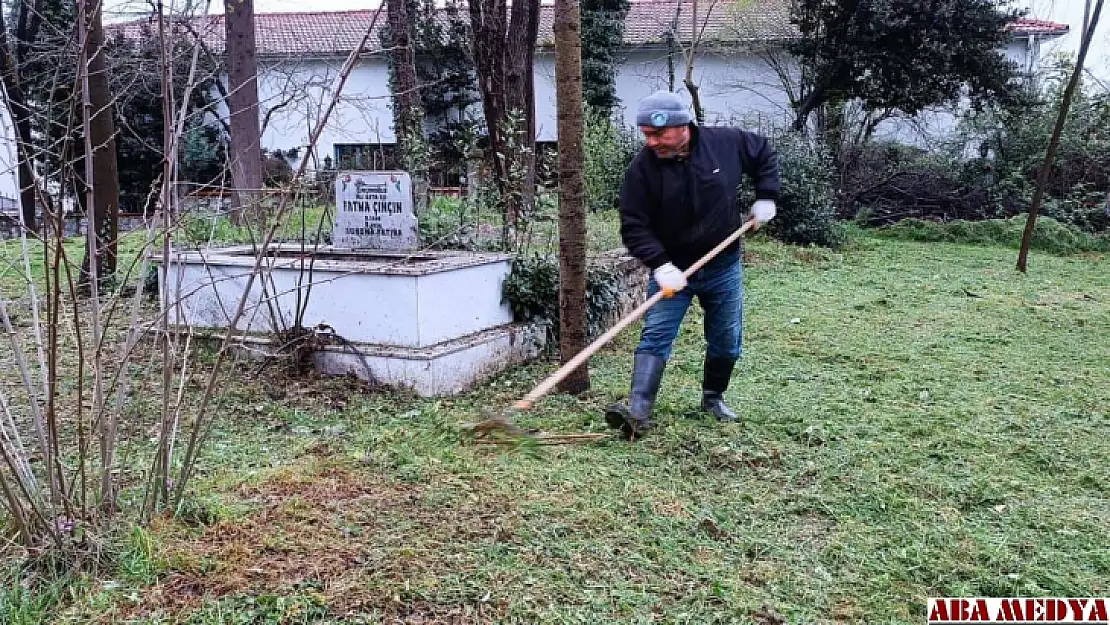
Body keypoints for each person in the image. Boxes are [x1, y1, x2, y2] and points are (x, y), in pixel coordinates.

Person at [604, 90, 780, 437]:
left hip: (722, 266)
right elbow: (634, 225)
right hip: (674, 270)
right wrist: (660, 265)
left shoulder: (725, 143)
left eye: (659, 134)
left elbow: (763, 152)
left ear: (683, 125)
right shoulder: (642, 170)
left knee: (726, 339)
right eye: (646, 135)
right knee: (656, 335)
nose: (652, 142)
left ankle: (713, 399)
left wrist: (767, 196)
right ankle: (638, 413)